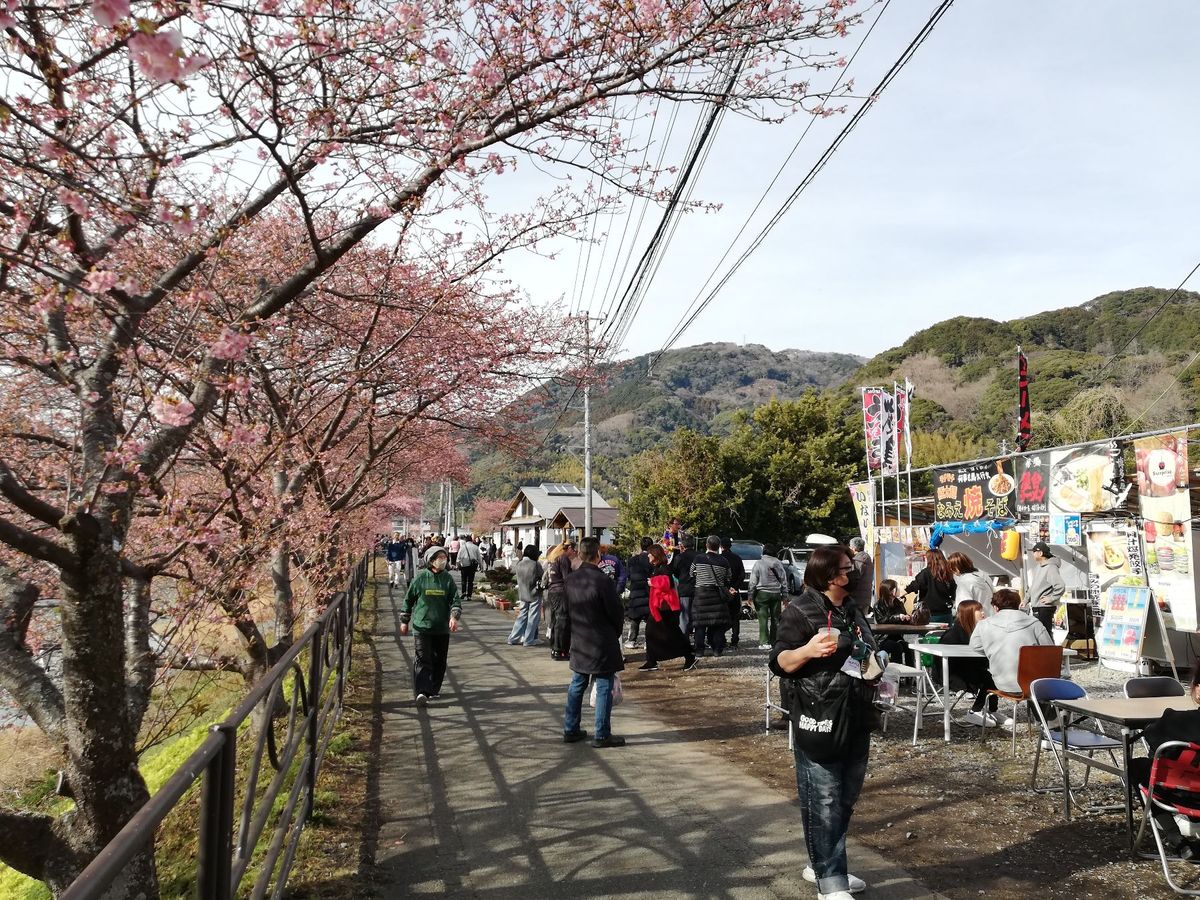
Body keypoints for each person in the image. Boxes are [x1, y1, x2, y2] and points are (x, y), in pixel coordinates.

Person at [769, 545, 877, 900]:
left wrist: (875, 662)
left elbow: (865, 650)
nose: (856, 572)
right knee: (824, 798)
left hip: (857, 712)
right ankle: (830, 882)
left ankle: (823, 864)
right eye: (848, 568)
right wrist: (809, 651)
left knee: (845, 798)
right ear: (830, 575)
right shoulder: (799, 610)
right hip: (819, 713)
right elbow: (779, 661)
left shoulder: (850, 608)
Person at [561, 537, 626, 749]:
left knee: (577, 683)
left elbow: (564, 611)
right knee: (604, 684)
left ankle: (570, 728)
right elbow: (615, 612)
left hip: (579, 638)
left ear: (579, 554)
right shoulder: (603, 580)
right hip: (601, 639)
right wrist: (616, 632)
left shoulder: (570, 579)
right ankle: (602, 733)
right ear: (598, 554)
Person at [969, 588, 1054, 728]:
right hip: (1032, 685)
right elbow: (1049, 650)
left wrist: (993, 649)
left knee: (989, 673)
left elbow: (975, 646)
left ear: (995, 607)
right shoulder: (1034, 623)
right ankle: (1048, 726)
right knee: (1036, 681)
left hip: (1001, 683)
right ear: (1018, 604)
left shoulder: (984, 624)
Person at [399, 545, 462, 706]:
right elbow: (409, 599)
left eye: (444, 557)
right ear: (431, 560)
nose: (443, 560)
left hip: (441, 628)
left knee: (439, 660)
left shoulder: (447, 579)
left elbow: (455, 600)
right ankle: (422, 691)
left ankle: (433, 689)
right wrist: (404, 620)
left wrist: (454, 617)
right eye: (439, 557)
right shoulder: (420, 578)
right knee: (422, 659)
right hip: (422, 626)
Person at [938, 599, 997, 726]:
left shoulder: (976, 630)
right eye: (979, 610)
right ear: (969, 613)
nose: (983, 613)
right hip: (952, 674)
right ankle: (975, 712)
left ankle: (992, 711)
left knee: (994, 675)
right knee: (989, 678)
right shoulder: (953, 634)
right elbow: (949, 661)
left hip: (969, 669)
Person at [638, 545, 698, 672]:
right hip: (661, 607)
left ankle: (689, 655)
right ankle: (652, 659)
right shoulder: (658, 568)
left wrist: (652, 582)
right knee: (654, 632)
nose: (648, 556)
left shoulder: (664, 568)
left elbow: (666, 584)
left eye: (650, 554)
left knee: (672, 634)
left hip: (665, 608)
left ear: (655, 555)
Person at [691, 535, 731, 657]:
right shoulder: (724, 561)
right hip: (717, 595)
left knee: (700, 624)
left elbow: (691, 573)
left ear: (706, 545)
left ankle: (699, 651)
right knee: (717, 624)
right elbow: (728, 578)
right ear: (718, 546)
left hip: (701, 594)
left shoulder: (698, 558)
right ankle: (717, 650)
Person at [748, 543, 787, 649]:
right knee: (775, 619)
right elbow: (784, 580)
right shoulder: (778, 563)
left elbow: (753, 581)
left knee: (763, 618)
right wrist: (785, 596)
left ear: (764, 551)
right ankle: (775, 641)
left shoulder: (759, 563)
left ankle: (764, 642)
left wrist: (750, 594)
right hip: (775, 593)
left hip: (762, 594)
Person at [905, 549, 956, 624]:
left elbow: (915, 585)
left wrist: (902, 593)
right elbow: (953, 588)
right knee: (945, 635)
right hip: (946, 613)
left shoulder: (926, 572)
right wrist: (951, 601)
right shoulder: (947, 572)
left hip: (929, 614)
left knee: (927, 635)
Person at [546, 540, 577, 661]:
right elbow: (567, 577)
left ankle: (554, 647)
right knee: (562, 621)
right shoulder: (563, 558)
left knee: (555, 620)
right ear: (568, 548)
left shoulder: (553, 558)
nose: (574, 552)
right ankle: (560, 649)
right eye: (573, 549)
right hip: (561, 591)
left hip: (552, 591)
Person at [508, 544, 544, 646]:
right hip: (534, 594)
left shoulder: (519, 564)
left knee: (521, 616)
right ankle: (529, 639)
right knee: (533, 617)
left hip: (523, 594)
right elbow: (542, 577)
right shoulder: (535, 564)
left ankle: (513, 638)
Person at [1026, 541, 1066, 632]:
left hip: (1045, 607)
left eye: (1034, 552)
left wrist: (1051, 598)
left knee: (1045, 633)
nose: (1033, 554)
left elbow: (1060, 585)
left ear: (1040, 553)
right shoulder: (1039, 567)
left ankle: (1049, 646)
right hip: (1038, 606)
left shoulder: (1051, 567)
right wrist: (1026, 600)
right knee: (1041, 633)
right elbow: (1033, 586)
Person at [872, 579, 912, 666]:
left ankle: (911, 677)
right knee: (897, 647)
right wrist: (898, 617)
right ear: (890, 591)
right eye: (896, 588)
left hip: (897, 637)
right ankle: (896, 674)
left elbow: (904, 617)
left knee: (909, 647)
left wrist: (907, 618)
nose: (899, 589)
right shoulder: (878, 605)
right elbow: (881, 620)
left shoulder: (898, 603)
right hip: (883, 639)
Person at [624, 537, 654, 649]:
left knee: (635, 618)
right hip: (649, 590)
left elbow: (628, 575)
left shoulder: (632, 560)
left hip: (636, 590)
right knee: (649, 619)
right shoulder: (652, 559)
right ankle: (649, 641)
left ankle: (631, 640)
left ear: (641, 546)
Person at [720, 537, 747, 650]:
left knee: (722, 616)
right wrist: (735, 587)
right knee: (735, 617)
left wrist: (725, 588)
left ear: (721, 546)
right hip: (735, 591)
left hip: (723, 592)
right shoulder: (737, 558)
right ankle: (734, 640)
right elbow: (742, 575)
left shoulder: (719, 559)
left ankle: (721, 639)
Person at [947, 551, 992, 616]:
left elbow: (964, 606)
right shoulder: (984, 575)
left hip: (975, 619)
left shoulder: (964, 582)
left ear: (956, 568)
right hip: (990, 615)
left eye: (951, 569)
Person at [671, 535, 699, 637]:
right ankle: (698, 641)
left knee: (684, 617)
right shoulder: (699, 556)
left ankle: (684, 640)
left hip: (684, 588)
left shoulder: (679, 557)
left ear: (682, 545)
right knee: (697, 617)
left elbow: (675, 572)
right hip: (698, 589)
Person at [848, 537, 874, 614]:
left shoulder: (857, 561)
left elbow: (853, 578)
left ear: (853, 548)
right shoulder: (868, 560)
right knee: (862, 620)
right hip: (866, 597)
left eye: (850, 546)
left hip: (856, 597)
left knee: (855, 621)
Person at [457, 534, 482, 600]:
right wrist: (481, 566)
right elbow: (479, 558)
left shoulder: (462, 547)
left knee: (463, 580)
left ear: (466, 540)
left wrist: (458, 565)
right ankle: (469, 595)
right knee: (470, 581)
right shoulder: (475, 547)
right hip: (472, 566)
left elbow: (458, 557)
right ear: (471, 540)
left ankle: (463, 593)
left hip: (464, 565)